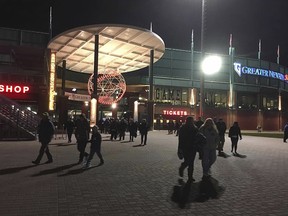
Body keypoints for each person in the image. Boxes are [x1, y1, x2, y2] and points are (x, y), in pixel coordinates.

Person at [177, 116, 199, 183]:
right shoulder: (192, 128)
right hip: (189, 147)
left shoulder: (185, 128)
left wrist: (180, 147)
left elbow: (180, 139)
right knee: (189, 162)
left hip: (188, 147)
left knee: (190, 162)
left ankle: (189, 175)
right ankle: (184, 169)